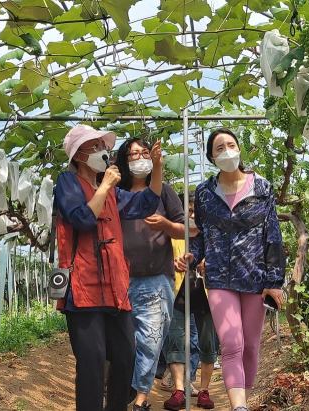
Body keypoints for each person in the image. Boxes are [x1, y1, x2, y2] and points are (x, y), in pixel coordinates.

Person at [55, 125, 164, 411]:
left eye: (104, 145)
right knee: (92, 361)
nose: (103, 151)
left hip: (115, 288)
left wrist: (157, 169)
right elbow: (81, 219)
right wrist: (104, 186)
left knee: (126, 355)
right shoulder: (67, 182)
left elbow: (147, 202)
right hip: (82, 286)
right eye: (95, 146)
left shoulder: (115, 195)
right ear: (79, 155)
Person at [175, 129, 286, 411]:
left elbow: (272, 235)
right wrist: (192, 256)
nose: (226, 150)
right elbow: (201, 236)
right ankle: (239, 407)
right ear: (212, 157)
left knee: (250, 346)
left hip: (255, 278)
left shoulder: (261, 187)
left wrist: (274, 281)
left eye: (231, 144)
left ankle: (242, 401)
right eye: (219, 147)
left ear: (239, 149)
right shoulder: (204, 193)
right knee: (232, 343)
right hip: (219, 279)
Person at [114, 137, 185, 411]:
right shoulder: (115, 193)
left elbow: (183, 230)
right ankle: (124, 389)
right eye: (134, 154)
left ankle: (141, 400)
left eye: (145, 152)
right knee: (121, 343)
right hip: (119, 279)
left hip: (156, 278)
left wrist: (166, 224)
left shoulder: (164, 192)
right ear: (124, 160)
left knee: (151, 340)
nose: (141, 157)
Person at [163, 191, 218, 411]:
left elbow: (225, 263)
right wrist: (173, 263)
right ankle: (179, 390)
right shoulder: (173, 234)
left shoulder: (213, 236)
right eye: (189, 211)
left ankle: (203, 391)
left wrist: (208, 265)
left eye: (196, 211)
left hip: (207, 296)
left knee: (207, 342)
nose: (192, 215)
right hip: (178, 293)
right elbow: (161, 259)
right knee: (175, 340)